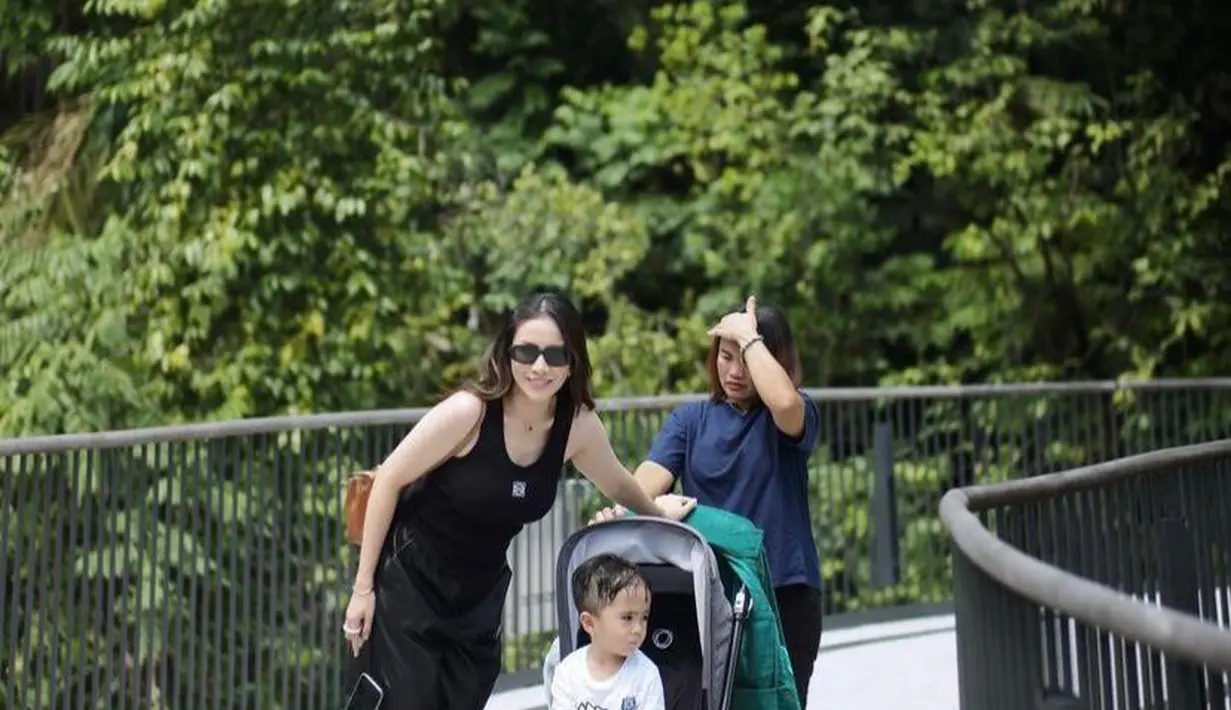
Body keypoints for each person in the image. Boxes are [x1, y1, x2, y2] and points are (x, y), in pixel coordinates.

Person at [343, 289, 697, 710]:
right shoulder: (469, 412)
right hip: (413, 576)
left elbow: (618, 482)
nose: (540, 366)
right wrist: (363, 589)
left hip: (480, 588)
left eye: (555, 354)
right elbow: (388, 481)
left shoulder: (576, 427)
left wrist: (659, 513)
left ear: (573, 362)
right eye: (526, 352)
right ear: (506, 353)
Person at [594, 295, 823, 708]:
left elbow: (786, 403)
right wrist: (628, 511)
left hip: (784, 590)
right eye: (725, 355)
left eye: (747, 359)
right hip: (705, 593)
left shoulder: (790, 414)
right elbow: (645, 485)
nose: (734, 371)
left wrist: (747, 335)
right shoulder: (691, 421)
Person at [550, 553, 666, 710]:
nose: (638, 628)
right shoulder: (568, 673)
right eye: (627, 618)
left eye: (644, 617)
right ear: (589, 623)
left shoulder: (646, 675)